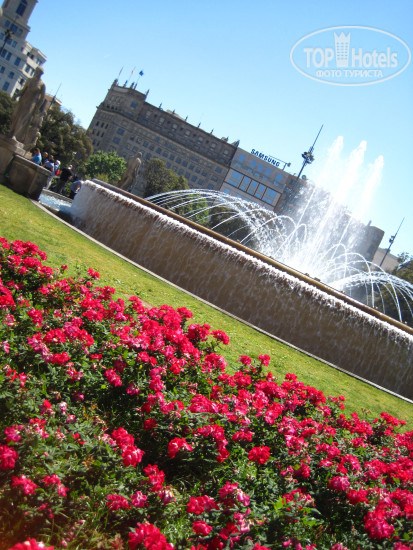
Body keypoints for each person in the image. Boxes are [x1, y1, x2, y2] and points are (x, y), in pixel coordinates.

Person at [8, 67, 46, 148]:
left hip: (31, 104)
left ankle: (14, 135)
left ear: (41, 73)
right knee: (14, 115)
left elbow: (42, 99)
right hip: (23, 100)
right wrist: (16, 95)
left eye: (38, 72)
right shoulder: (29, 80)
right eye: (36, 71)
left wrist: (37, 108)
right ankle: (11, 132)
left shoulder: (42, 84)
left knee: (21, 119)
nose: (36, 73)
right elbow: (23, 90)